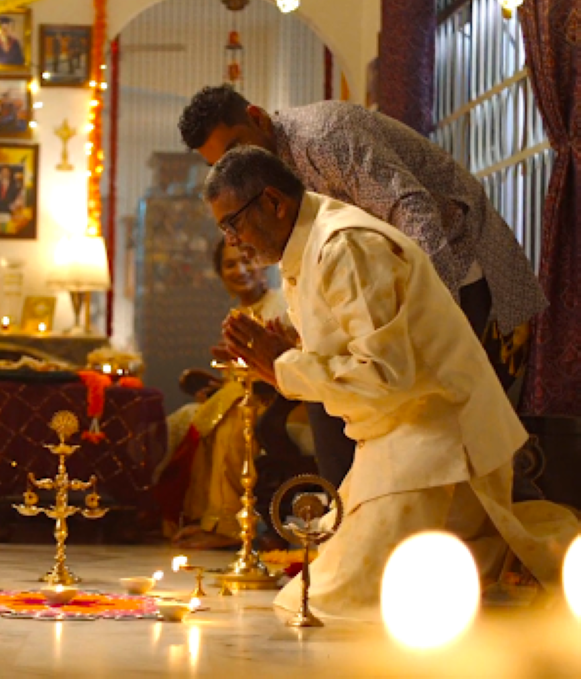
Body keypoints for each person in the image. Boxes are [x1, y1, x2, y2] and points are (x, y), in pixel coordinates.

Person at [205, 146, 576, 620]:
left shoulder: (346, 246)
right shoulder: (305, 249)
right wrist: (289, 356)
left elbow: (386, 373)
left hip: (437, 436)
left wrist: (283, 365)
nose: (232, 240)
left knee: (341, 600)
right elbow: (348, 346)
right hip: (396, 439)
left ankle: (533, 558)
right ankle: (509, 555)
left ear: (274, 202)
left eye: (232, 222)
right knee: (321, 587)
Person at [179, 84, 546, 488]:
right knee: (328, 394)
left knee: (444, 418)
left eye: (235, 147)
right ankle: (347, 518)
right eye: (221, 162)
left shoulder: (324, 139)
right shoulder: (267, 177)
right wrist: (300, 340)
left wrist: (434, 319)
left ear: (258, 117)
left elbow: (413, 210)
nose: (235, 165)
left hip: (455, 264)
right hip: (390, 287)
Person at [154, 239, 307, 550]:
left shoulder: (281, 306)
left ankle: (228, 526)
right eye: (229, 265)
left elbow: (288, 360)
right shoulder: (240, 311)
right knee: (195, 417)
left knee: (232, 418)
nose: (240, 269)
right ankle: (199, 517)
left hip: (283, 398)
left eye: (245, 261)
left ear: (263, 266)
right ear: (220, 274)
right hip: (249, 390)